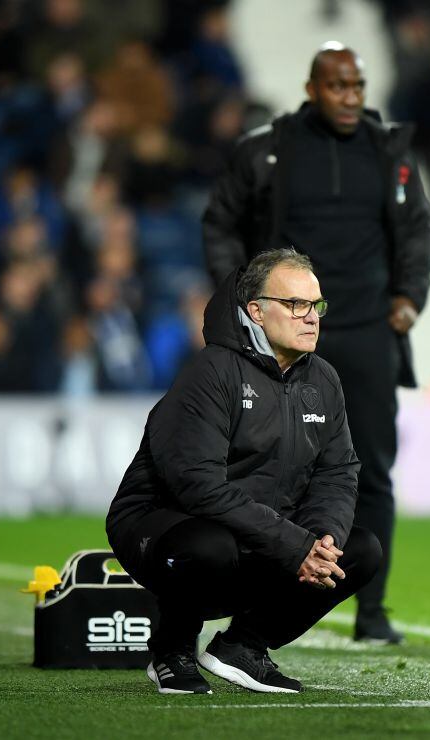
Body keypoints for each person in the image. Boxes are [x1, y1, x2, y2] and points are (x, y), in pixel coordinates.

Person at [201, 43, 430, 644]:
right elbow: (221, 221)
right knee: (259, 464)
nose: (351, 97)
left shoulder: (389, 155)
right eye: (338, 87)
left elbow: (417, 229)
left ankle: (372, 611)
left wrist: (408, 297)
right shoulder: (269, 151)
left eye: (357, 86)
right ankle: (248, 595)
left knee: (372, 471)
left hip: (363, 332)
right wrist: (240, 298)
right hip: (282, 336)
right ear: (311, 90)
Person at [106, 249, 382, 695]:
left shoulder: (324, 379)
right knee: (210, 546)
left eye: (316, 305)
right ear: (255, 310)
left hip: (257, 532)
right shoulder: (212, 371)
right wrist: (295, 545)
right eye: (296, 304)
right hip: (164, 523)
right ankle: (171, 652)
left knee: (360, 550)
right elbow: (198, 487)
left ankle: (243, 646)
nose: (311, 317)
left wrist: (321, 538)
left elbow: (338, 472)